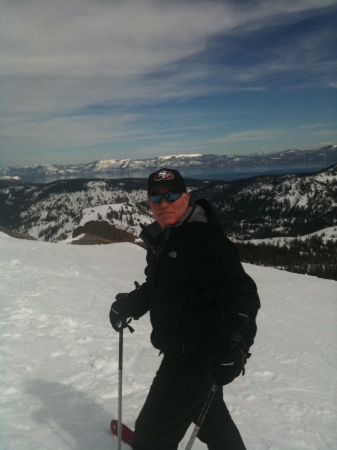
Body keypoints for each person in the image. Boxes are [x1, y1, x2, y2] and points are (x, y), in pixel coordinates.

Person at [109, 168, 260, 450]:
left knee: (152, 435)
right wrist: (132, 304)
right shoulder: (166, 238)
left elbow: (241, 294)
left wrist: (237, 342)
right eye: (156, 196)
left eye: (172, 195)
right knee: (212, 421)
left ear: (186, 198)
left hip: (194, 357)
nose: (164, 202)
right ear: (149, 201)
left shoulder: (205, 240)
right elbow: (164, 286)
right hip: (191, 350)